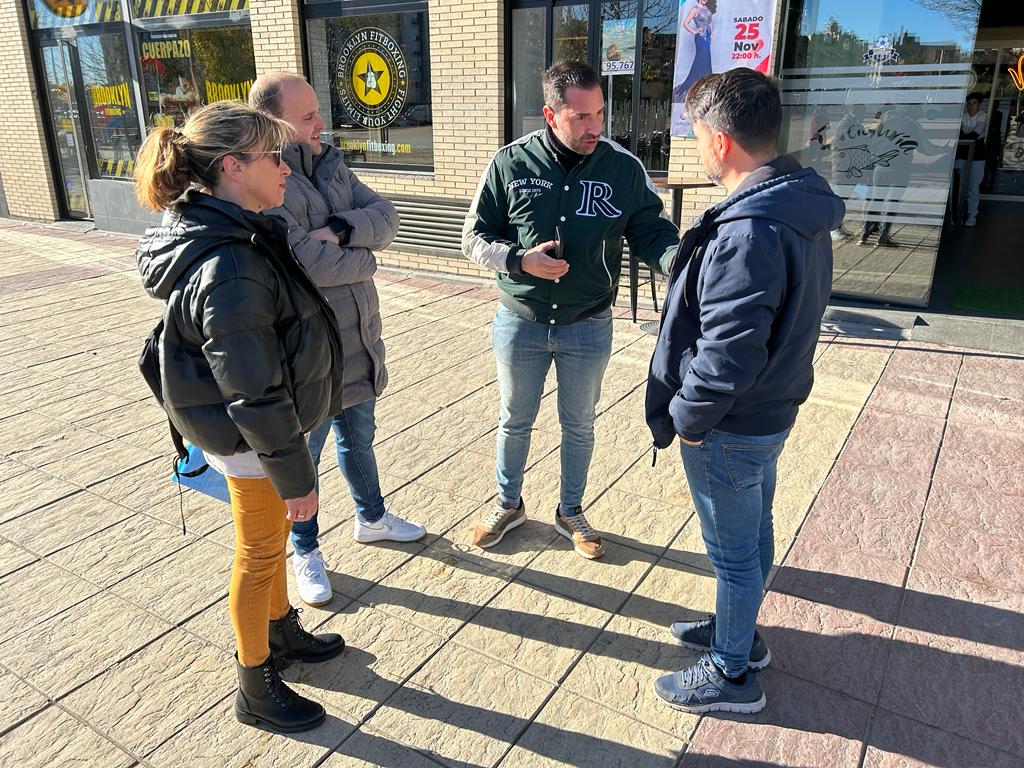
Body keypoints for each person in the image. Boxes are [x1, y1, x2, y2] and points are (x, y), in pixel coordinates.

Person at [134, 101, 347, 733]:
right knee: (258, 552)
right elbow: (253, 391)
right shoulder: (229, 262)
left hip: (261, 433)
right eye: (274, 157)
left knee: (271, 542)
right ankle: (255, 684)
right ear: (233, 166)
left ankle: (280, 632)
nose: (287, 169)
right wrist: (297, 478)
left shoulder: (240, 232)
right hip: (253, 437)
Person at [645, 69, 842, 713]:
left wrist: (687, 417)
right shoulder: (794, 203)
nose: (697, 148)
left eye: (697, 136)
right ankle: (741, 635)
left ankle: (731, 674)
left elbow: (729, 351)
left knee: (734, 554)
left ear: (721, 141)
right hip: (768, 411)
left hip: (730, 424)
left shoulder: (750, 228)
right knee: (753, 535)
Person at [463, 60, 679, 559]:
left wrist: (681, 264)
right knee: (514, 419)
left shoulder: (623, 168)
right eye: (581, 117)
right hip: (520, 321)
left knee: (579, 423)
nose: (594, 127)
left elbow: (652, 231)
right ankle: (508, 504)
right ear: (550, 114)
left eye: (599, 113)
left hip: (588, 323)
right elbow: (472, 238)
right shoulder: (509, 163)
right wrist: (520, 260)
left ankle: (571, 510)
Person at [249, 73, 425, 608]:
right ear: (274, 123)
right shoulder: (266, 179)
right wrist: (366, 258)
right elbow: (304, 261)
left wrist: (342, 231)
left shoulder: (330, 162)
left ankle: (372, 518)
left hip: (359, 340)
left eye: (317, 112)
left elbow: (388, 216)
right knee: (305, 459)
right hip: (309, 354)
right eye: (306, 117)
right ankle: (303, 549)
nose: (320, 124)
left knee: (359, 438)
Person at [671, 0, 716, 104]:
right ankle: (695, 85)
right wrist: (694, 31)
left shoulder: (708, 9)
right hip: (700, 37)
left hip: (707, 38)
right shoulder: (695, 9)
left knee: (704, 60)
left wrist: (712, 33)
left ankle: (704, 83)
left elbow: (710, 22)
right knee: (701, 59)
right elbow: (685, 23)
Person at [956, 91, 987, 227]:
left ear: (979, 105)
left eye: (974, 103)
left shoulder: (983, 116)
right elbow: (958, 134)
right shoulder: (963, 116)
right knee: (959, 186)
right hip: (962, 154)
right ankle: (957, 214)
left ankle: (972, 215)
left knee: (973, 187)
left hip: (977, 156)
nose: (971, 106)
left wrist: (964, 136)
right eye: (969, 104)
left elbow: (974, 135)